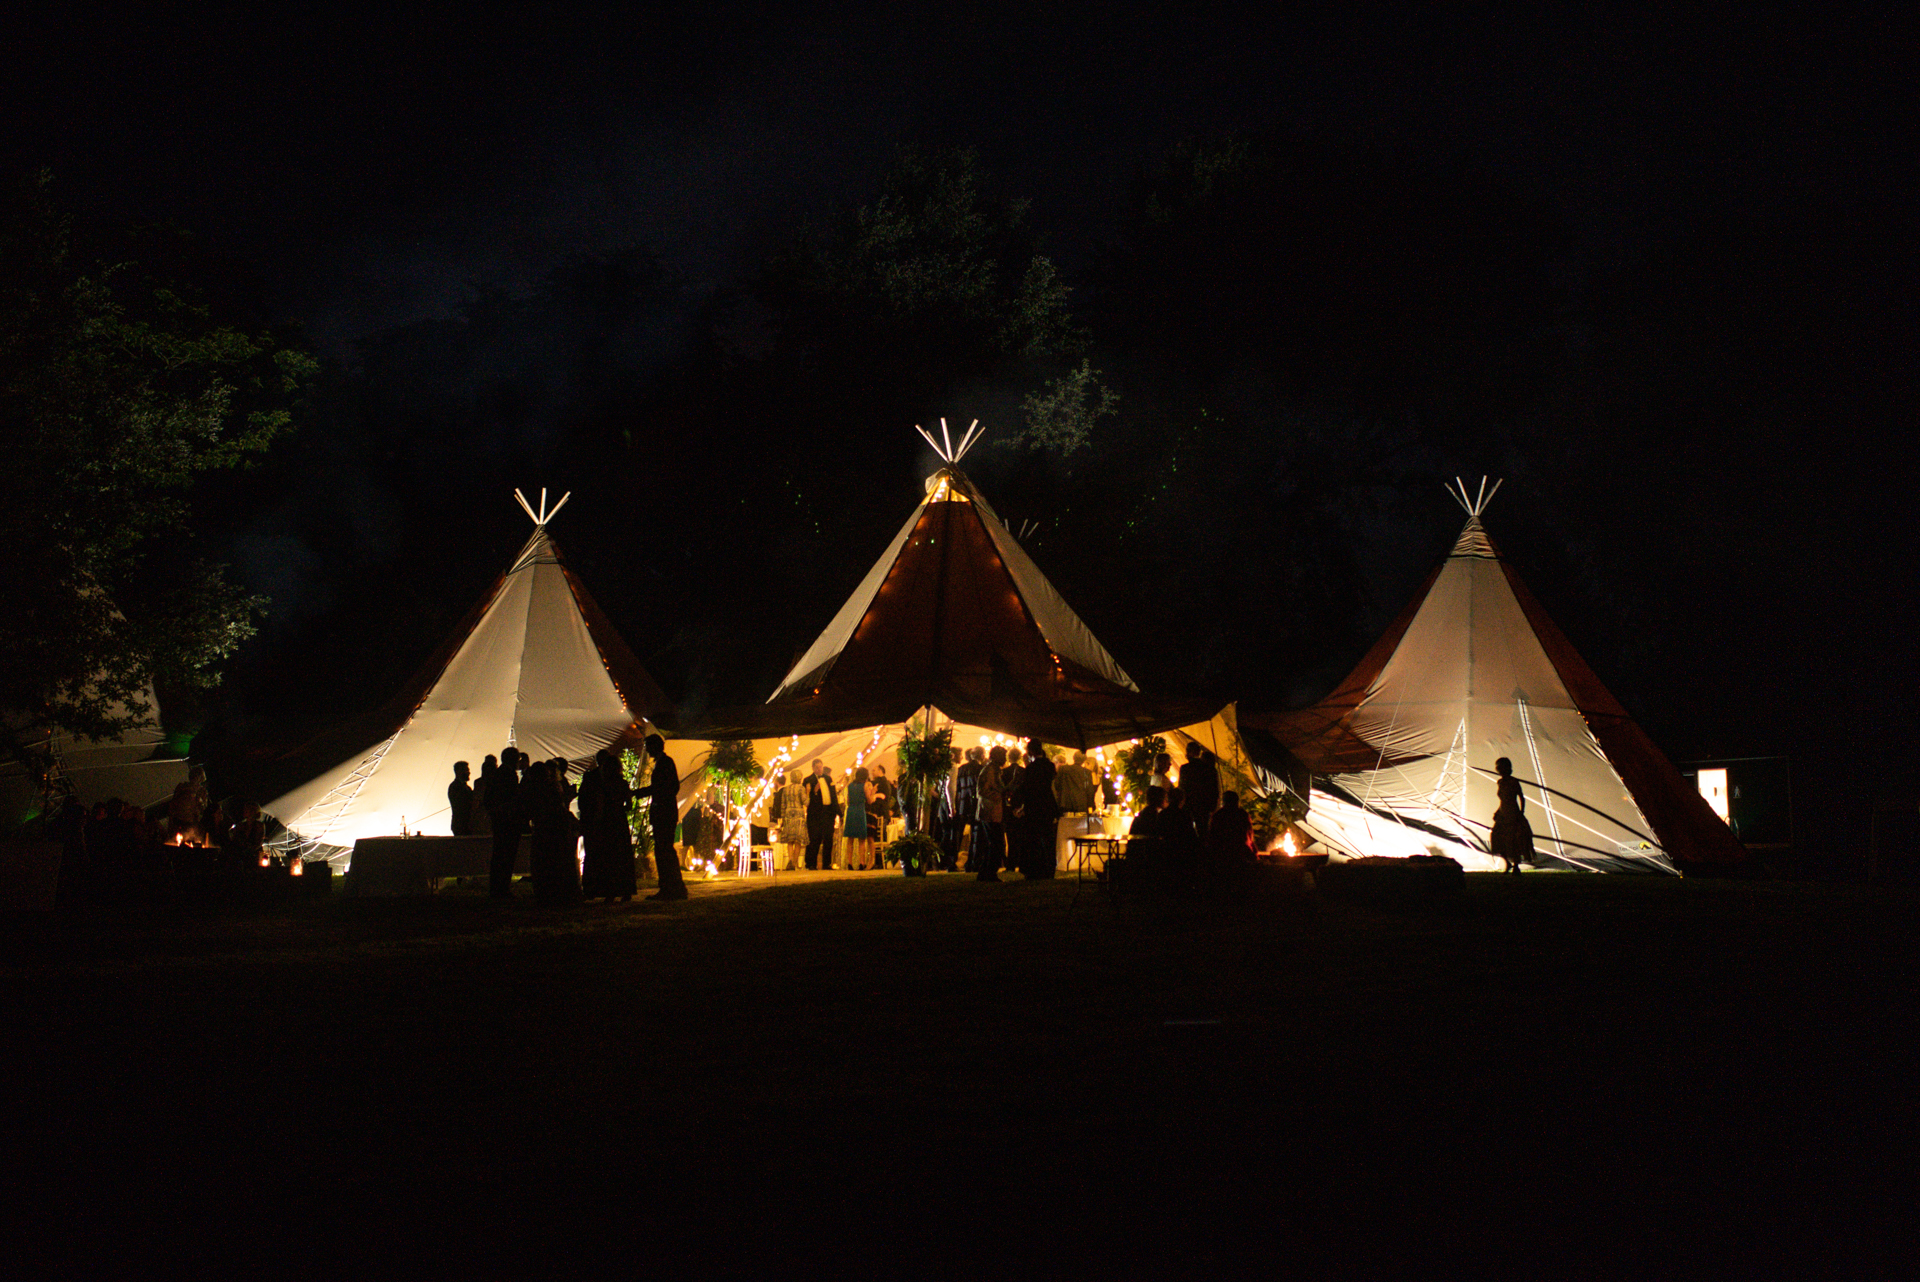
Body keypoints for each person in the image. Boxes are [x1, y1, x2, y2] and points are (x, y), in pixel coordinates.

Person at [579, 749, 636, 901]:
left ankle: (608, 892)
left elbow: (597, 803)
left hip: (606, 821)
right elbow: (629, 805)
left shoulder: (603, 784)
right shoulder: (623, 783)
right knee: (621, 856)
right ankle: (626, 891)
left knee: (608, 857)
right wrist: (620, 808)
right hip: (619, 821)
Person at [641, 735, 688, 900]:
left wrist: (652, 795)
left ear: (654, 746)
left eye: (647, 746)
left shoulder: (665, 763)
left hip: (664, 812)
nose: (646, 749)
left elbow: (669, 786)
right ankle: (672, 887)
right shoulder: (663, 762)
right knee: (664, 850)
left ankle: (671, 887)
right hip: (663, 811)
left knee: (664, 850)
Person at [1017, 737, 1060, 878]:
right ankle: (1049, 868)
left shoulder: (1031, 768)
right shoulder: (1050, 766)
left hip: (1034, 805)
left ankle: (1035, 869)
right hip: (1047, 804)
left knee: (1033, 838)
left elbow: (1027, 788)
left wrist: (1021, 804)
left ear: (1030, 752)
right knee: (1048, 838)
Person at [485, 748, 523, 898]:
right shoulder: (508, 775)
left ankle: (498, 888)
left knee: (500, 855)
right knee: (506, 855)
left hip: (500, 820)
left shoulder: (498, 774)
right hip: (507, 821)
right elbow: (512, 798)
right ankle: (502, 888)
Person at [1490, 756, 1533, 874]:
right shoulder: (1500, 782)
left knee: (1514, 839)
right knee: (1497, 837)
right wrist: (1498, 811)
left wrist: (1521, 812)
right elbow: (1503, 800)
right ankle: (1507, 863)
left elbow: (1520, 797)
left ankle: (1516, 865)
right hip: (1503, 813)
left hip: (1513, 813)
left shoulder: (1513, 781)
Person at [975, 745, 1009, 881]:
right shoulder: (990, 770)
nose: (1005, 759)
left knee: (994, 844)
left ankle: (985, 873)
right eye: (1003, 756)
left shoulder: (994, 769)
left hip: (992, 811)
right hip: (990, 812)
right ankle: (989, 873)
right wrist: (999, 796)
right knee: (996, 844)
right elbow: (983, 790)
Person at [1206, 791, 1257, 870]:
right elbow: (1249, 834)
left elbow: (1212, 836)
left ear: (1224, 802)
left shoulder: (1218, 815)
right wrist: (1253, 850)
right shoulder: (1242, 814)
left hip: (1223, 855)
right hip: (1240, 854)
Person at [804, 759, 839, 871]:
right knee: (814, 838)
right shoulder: (808, 780)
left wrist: (837, 812)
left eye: (821, 767)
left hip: (828, 813)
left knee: (828, 838)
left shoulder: (829, 779)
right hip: (815, 814)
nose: (820, 769)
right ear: (813, 767)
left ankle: (826, 864)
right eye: (817, 767)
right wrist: (814, 791)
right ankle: (811, 863)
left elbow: (834, 796)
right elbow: (806, 799)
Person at [953, 747, 984, 872]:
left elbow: (958, 787)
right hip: (974, 805)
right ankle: (972, 862)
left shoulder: (962, 769)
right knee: (976, 835)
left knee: (958, 836)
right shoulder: (980, 769)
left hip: (962, 805)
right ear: (981, 755)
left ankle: (952, 862)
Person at [1179, 742, 1220, 832]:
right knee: (1203, 832)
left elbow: (1182, 788)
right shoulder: (1210, 769)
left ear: (1189, 752)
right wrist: (1212, 806)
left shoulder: (1185, 769)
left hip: (1189, 806)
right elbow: (1214, 789)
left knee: (1188, 832)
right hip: (1205, 807)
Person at [775, 771, 809, 870]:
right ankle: (794, 862)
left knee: (790, 840)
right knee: (798, 840)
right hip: (798, 815)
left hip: (788, 815)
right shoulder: (801, 789)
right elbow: (806, 802)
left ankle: (790, 860)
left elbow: (783, 804)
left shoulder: (786, 789)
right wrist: (808, 792)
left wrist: (782, 817)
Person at [843, 766, 870, 870]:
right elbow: (869, 800)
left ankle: (849, 863)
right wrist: (874, 793)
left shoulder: (850, 786)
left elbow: (848, 800)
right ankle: (862, 862)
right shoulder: (864, 786)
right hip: (859, 810)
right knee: (861, 839)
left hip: (851, 811)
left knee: (850, 838)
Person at [869, 764, 894, 857]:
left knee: (877, 837)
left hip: (879, 813)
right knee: (883, 837)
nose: (872, 772)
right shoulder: (887, 783)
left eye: (874, 770)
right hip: (885, 812)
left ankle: (878, 859)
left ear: (880, 771)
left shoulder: (878, 782)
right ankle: (884, 860)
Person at [448, 761, 475, 836]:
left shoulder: (466, 787)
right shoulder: (455, 787)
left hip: (464, 824)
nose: (469, 773)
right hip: (461, 825)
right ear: (460, 771)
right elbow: (462, 806)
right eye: (467, 770)